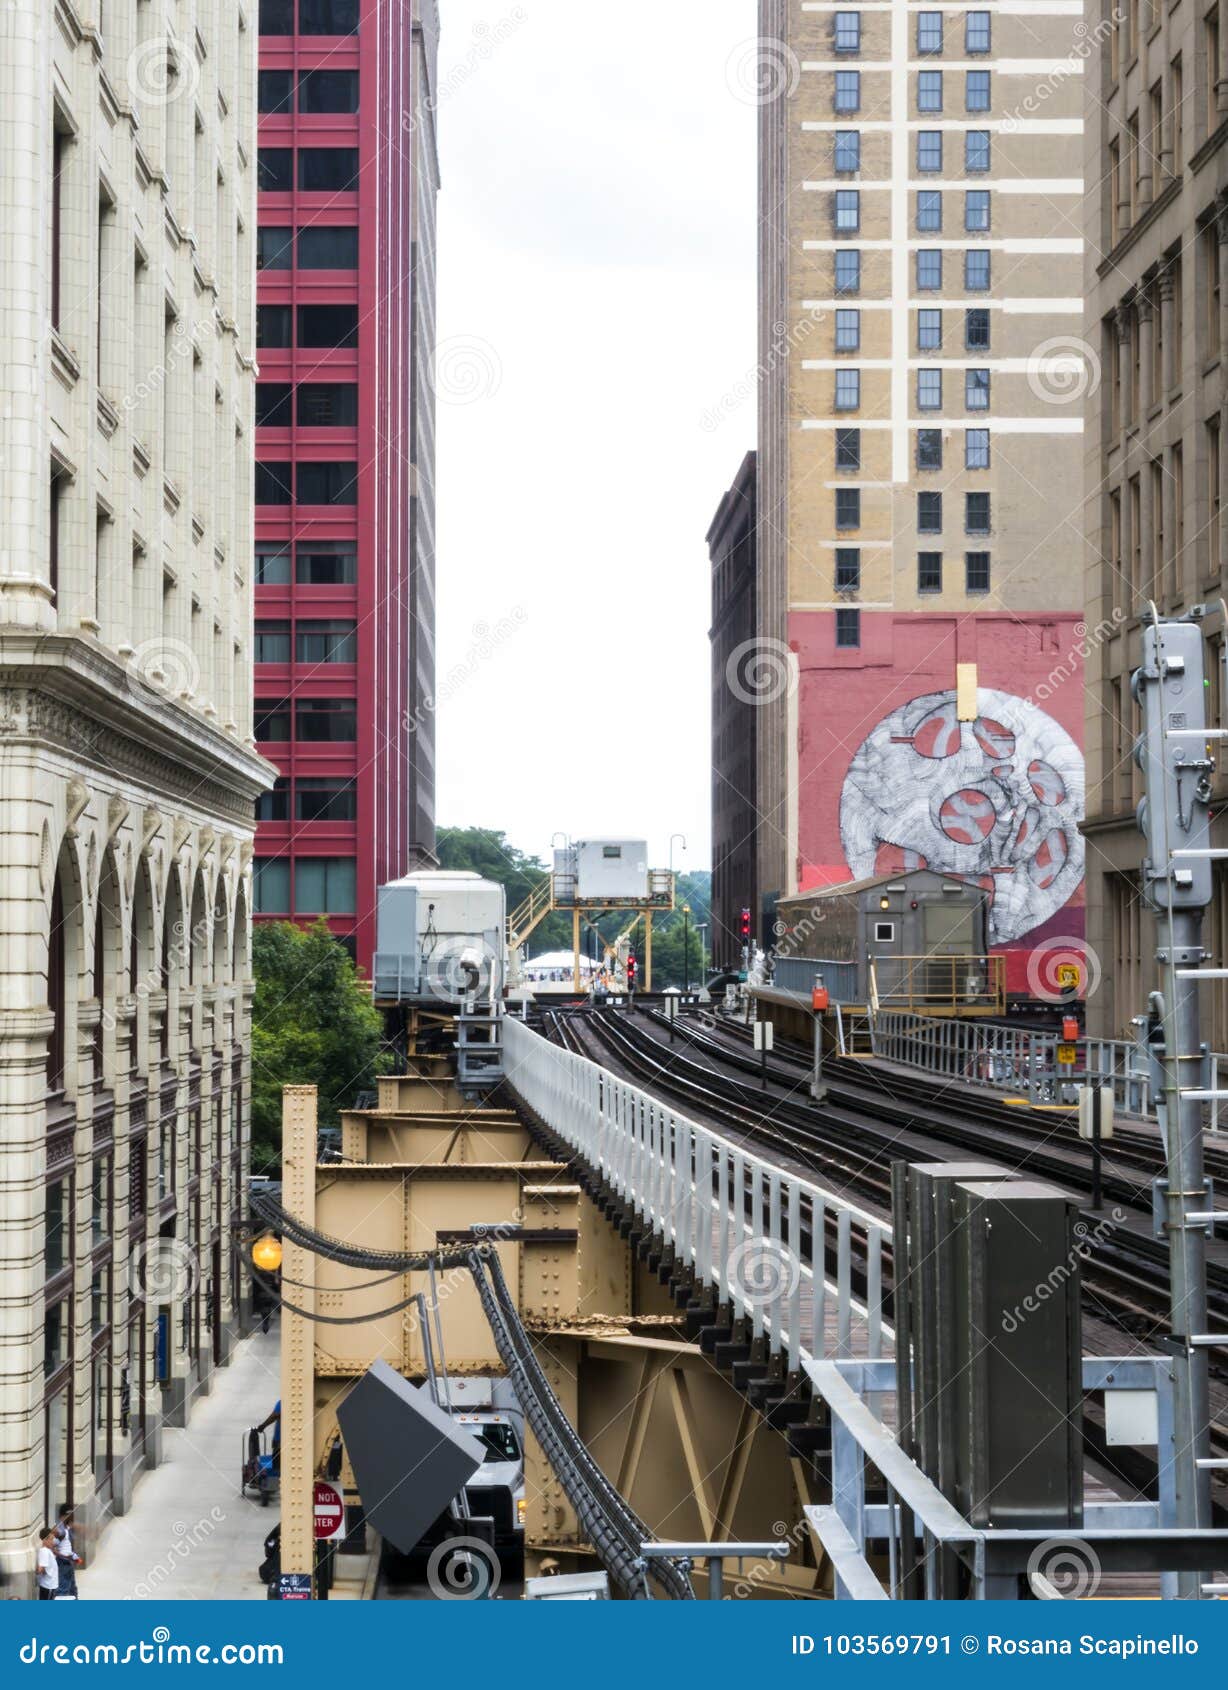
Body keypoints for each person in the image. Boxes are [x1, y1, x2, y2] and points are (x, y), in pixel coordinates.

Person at [53, 1507, 81, 1598]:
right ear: (62, 1516)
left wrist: (73, 1556)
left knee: (73, 1588)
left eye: (70, 1514)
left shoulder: (67, 1528)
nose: (70, 1516)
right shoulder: (60, 1529)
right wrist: (63, 1556)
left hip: (69, 1561)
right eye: (67, 1515)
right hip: (63, 1562)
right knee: (63, 1589)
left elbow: (67, 1545)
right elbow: (53, 1545)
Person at [256, 1400, 281, 1475]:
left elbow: (275, 1415)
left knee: (277, 1465)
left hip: (279, 1439)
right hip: (280, 1439)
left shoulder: (283, 1402)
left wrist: (263, 1425)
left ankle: (276, 1483)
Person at [36, 1528, 58, 1600]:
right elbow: (40, 1569)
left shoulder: (47, 1550)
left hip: (50, 1586)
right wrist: (43, 1571)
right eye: (51, 1539)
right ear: (45, 1540)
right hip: (48, 1587)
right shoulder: (44, 1551)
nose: (53, 1542)